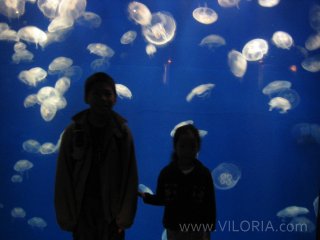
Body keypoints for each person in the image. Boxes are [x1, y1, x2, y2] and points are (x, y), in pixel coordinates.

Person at [54, 72, 138, 240]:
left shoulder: (122, 133)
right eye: (96, 94)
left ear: (115, 98)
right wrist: (67, 217)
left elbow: (130, 176)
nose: (102, 98)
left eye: (107, 94)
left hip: (112, 216)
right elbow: (63, 175)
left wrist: (124, 218)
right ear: (86, 97)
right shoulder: (73, 132)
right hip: (82, 214)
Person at [139, 124, 216, 240]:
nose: (187, 151)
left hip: (196, 230)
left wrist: (209, 230)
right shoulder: (166, 173)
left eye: (192, 146)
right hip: (173, 229)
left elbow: (209, 205)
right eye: (183, 146)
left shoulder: (204, 174)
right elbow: (161, 198)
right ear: (175, 147)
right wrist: (146, 197)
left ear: (198, 148)